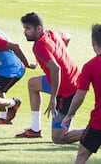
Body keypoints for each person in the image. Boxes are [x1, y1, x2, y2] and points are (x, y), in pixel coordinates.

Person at [62, 24, 101, 164]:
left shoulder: (90, 66)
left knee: (82, 155)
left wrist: (69, 114)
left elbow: (80, 95)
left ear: (93, 43)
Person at [16, 12, 83, 144]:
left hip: (67, 91)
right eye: (24, 28)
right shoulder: (52, 34)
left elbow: (56, 69)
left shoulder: (39, 45)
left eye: (28, 28)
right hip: (72, 79)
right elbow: (67, 36)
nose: (25, 32)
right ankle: (35, 130)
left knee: (59, 138)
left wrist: (53, 98)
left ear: (39, 28)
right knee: (32, 84)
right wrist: (60, 54)